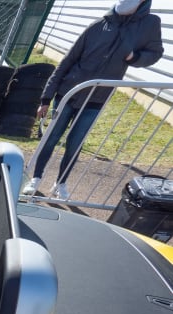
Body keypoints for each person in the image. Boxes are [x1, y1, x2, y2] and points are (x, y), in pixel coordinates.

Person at [22, 0, 162, 200]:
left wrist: (135, 56)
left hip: (97, 98)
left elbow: (156, 53)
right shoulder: (98, 25)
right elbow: (67, 61)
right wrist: (46, 98)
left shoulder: (150, 24)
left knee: (75, 143)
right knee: (51, 137)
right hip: (69, 93)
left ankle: (61, 182)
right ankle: (35, 178)